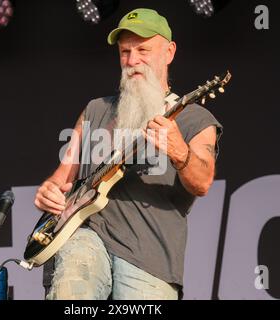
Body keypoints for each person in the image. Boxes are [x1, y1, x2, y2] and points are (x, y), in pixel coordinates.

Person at [34, 8, 223, 300]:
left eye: (143, 50)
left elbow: (202, 182)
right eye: (125, 52)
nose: (132, 61)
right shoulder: (95, 110)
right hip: (86, 235)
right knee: (71, 287)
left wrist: (178, 150)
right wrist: (49, 192)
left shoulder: (195, 119)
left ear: (169, 52)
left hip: (149, 257)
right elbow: (61, 179)